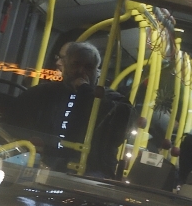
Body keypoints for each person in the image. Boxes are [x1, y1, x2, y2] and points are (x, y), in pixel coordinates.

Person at [10, 42, 129, 177]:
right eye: (75, 65)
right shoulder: (40, 94)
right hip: (42, 164)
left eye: (88, 67)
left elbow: (123, 122)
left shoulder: (111, 100)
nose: (81, 71)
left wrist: (86, 92)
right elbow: (14, 125)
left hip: (90, 171)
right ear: (65, 67)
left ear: (97, 72)